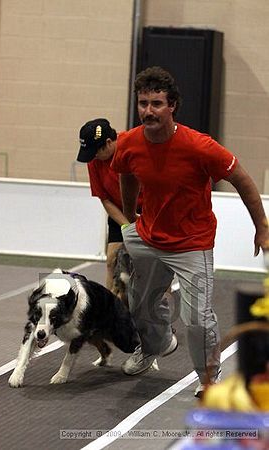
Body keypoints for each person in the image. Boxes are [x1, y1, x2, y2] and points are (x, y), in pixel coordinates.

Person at [111, 66, 269, 397]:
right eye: (142, 103)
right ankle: (154, 347)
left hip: (191, 245)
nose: (148, 111)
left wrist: (262, 228)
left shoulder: (200, 147)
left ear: (172, 106)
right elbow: (125, 173)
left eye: (156, 104)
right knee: (140, 307)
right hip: (148, 237)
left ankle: (208, 377)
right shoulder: (128, 142)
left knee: (197, 318)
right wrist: (129, 219)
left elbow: (242, 179)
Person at [76, 118, 141, 292]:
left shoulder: (133, 148)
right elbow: (105, 199)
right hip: (118, 212)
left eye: (95, 151)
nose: (93, 157)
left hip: (146, 209)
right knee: (112, 259)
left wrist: (138, 222)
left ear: (108, 142)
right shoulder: (94, 160)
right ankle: (111, 309)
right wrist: (127, 226)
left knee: (148, 263)